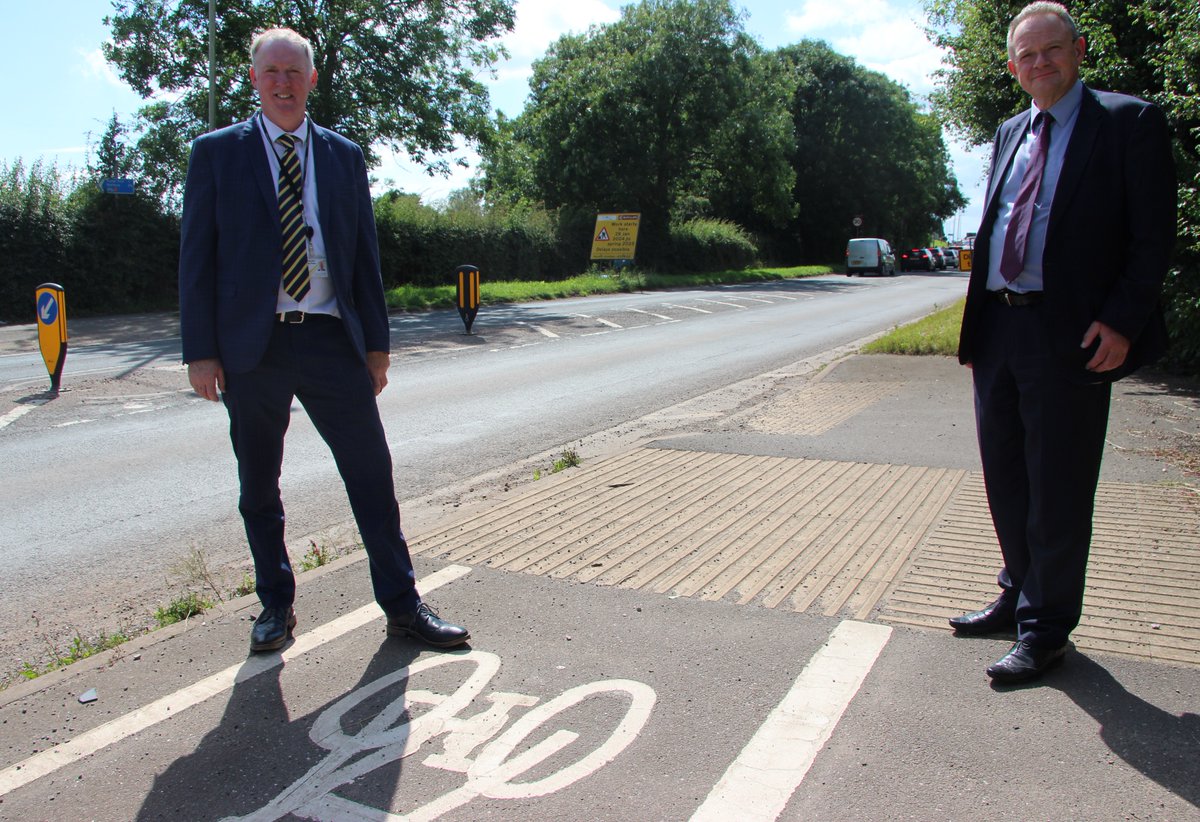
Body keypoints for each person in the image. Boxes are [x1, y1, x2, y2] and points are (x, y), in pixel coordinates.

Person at [179, 27, 469, 653]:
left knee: (371, 473)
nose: (282, 82)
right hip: (252, 351)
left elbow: (364, 256)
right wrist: (200, 351)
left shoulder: (342, 156)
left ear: (312, 80)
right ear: (253, 79)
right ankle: (275, 607)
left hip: (332, 341)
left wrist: (377, 346)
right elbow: (196, 260)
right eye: (271, 72)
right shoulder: (216, 153)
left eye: (294, 72)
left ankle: (402, 605)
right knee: (259, 483)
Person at [953, 2, 1175, 684]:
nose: (1039, 63)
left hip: (1072, 330)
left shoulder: (1127, 122)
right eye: (1026, 55)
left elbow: (1152, 235)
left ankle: (1046, 629)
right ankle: (1020, 589)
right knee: (1007, 476)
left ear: (1078, 50)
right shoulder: (1010, 129)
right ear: (1013, 67)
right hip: (999, 328)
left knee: (1059, 483)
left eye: (1051, 50)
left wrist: (1123, 319)